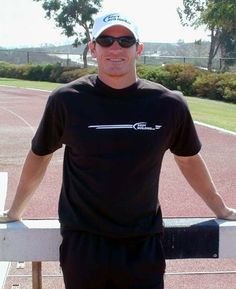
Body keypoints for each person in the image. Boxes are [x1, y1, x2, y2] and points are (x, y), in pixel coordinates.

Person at [0, 11, 236, 289]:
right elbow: (39, 156)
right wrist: (16, 210)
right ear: (93, 47)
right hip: (83, 245)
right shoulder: (66, 101)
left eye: (125, 40)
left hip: (143, 245)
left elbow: (188, 161)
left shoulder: (168, 104)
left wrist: (220, 208)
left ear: (139, 49)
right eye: (106, 40)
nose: (116, 48)